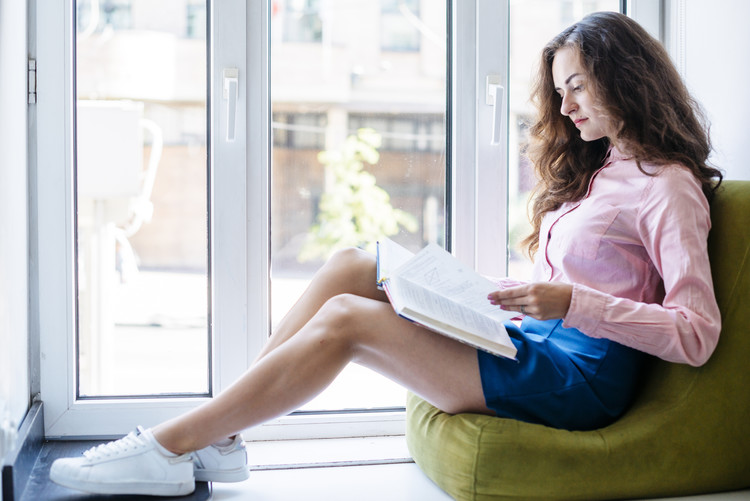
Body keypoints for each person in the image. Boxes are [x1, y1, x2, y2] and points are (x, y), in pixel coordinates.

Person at [50, 11, 722, 496]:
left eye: (576, 83)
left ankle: (169, 444)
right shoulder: (604, 170)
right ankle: (221, 440)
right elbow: (569, 285)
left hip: (581, 383)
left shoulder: (669, 189)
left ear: (623, 76)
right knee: (353, 260)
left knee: (348, 317)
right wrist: (485, 288)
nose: (565, 103)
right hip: (537, 340)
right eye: (560, 88)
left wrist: (572, 302)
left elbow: (697, 334)